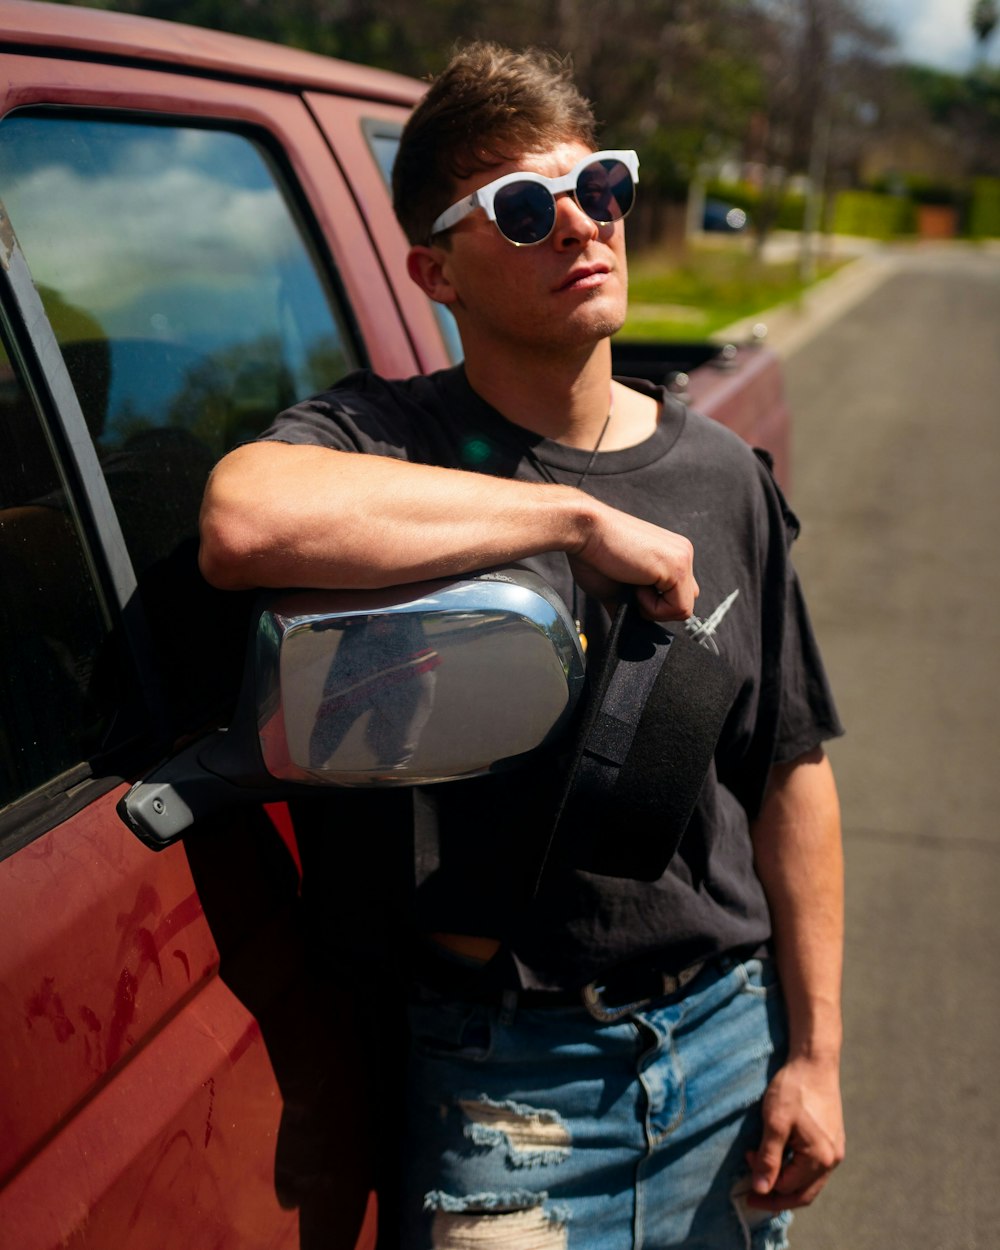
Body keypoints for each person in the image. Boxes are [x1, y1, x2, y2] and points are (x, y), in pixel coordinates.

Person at [199, 41, 845, 1250]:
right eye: (523, 205)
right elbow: (242, 518)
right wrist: (573, 517)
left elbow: (789, 769)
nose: (581, 225)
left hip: (724, 1049)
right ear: (431, 269)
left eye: (600, 186)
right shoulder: (386, 441)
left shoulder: (719, 476)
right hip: (509, 1095)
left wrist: (814, 1053)